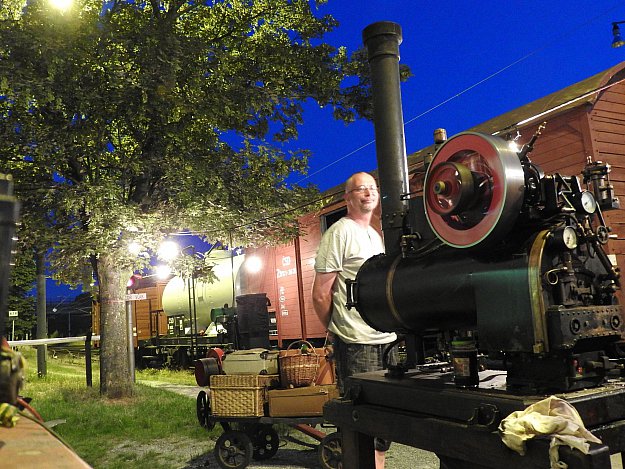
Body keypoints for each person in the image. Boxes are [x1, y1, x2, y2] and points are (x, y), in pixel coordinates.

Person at [312, 171, 397, 469]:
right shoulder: (339, 233)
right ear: (348, 198)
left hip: (387, 340)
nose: (368, 193)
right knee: (361, 423)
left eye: (372, 188)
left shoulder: (375, 235)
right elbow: (321, 293)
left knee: (384, 424)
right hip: (358, 343)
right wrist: (336, 329)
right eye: (361, 189)